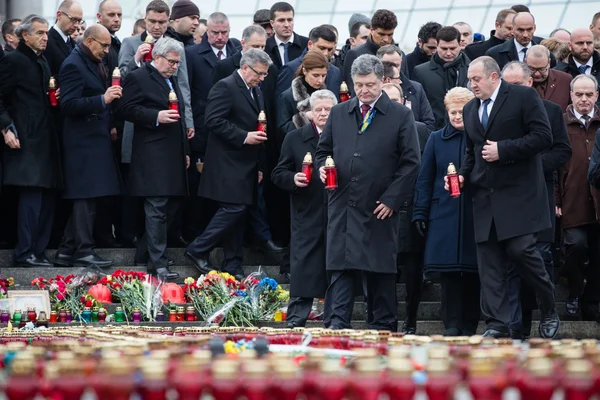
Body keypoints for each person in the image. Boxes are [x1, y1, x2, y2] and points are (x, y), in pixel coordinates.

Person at [451, 56, 559, 339]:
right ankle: (496, 324)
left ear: (494, 77)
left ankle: (548, 307)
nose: (471, 84)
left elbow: (543, 137)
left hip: (520, 195)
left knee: (522, 252)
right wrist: (463, 174)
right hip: (484, 197)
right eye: (469, 79)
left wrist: (504, 149)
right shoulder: (470, 109)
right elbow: (470, 151)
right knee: (489, 265)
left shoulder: (523, 96)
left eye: (476, 79)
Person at [316, 54, 421, 331]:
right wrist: (321, 169)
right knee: (340, 271)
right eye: (359, 85)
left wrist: (392, 199)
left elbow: (411, 162)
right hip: (343, 206)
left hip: (379, 208)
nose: (364, 91)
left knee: (380, 274)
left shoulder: (401, 115)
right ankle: (335, 327)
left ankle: (383, 330)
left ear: (382, 81)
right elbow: (323, 151)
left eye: (370, 85)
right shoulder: (339, 112)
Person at [185, 49, 272, 280]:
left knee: (239, 214)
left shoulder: (255, 90)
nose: (262, 78)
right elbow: (213, 120)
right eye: (260, 73)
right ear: (245, 68)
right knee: (234, 209)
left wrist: (260, 166)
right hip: (227, 163)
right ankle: (197, 248)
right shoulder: (225, 86)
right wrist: (244, 136)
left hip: (247, 165)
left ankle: (233, 264)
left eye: (265, 74)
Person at [501, 61, 572, 339]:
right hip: (507, 194)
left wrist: (528, 165)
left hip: (539, 192)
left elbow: (562, 150)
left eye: (517, 84)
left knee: (538, 256)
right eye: (507, 84)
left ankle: (547, 310)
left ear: (530, 83)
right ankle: (514, 327)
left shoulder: (552, 111)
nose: (511, 90)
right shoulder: (497, 113)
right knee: (510, 261)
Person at [117, 37, 190, 281]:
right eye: (171, 61)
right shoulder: (139, 77)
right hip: (152, 154)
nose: (174, 66)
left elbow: (179, 115)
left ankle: (145, 253)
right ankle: (158, 264)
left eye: (177, 63)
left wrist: (186, 151)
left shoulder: (171, 78)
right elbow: (125, 109)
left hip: (173, 153)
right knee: (157, 207)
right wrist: (155, 115)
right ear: (156, 57)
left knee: (173, 206)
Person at [413, 87, 480, 336]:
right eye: (452, 112)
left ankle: (470, 324)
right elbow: (425, 177)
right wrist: (420, 211)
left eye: (462, 112)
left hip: (475, 213)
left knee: (474, 273)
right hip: (445, 215)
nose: (457, 116)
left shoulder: (480, 138)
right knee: (450, 274)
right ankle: (451, 324)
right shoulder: (436, 138)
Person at [54, 24, 122, 268]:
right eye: (103, 45)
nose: (106, 50)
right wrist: (101, 99)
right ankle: (84, 250)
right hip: (82, 142)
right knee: (85, 197)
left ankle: (65, 250)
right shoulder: (73, 64)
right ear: (90, 40)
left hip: (95, 138)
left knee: (90, 196)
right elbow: (69, 105)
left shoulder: (92, 61)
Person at [0, 15, 62, 268]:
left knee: (47, 197)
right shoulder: (12, 60)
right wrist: (6, 128)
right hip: (25, 139)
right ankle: (24, 252)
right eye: (40, 33)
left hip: (46, 139)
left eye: (47, 33)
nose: (45, 37)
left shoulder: (43, 61)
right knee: (31, 197)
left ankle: (39, 250)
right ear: (25, 36)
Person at [271, 89, 335, 327]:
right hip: (305, 211)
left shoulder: (346, 136)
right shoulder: (295, 138)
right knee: (304, 267)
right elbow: (278, 173)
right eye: (318, 109)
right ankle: (296, 319)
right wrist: (293, 178)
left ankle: (333, 319)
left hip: (337, 212)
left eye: (328, 109)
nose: (323, 114)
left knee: (334, 267)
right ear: (309, 113)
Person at [185, 11, 241, 240]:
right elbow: (186, 91)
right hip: (202, 128)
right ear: (207, 31)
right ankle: (195, 232)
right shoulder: (192, 54)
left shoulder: (237, 53)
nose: (220, 37)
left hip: (230, 128)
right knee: (200, 185)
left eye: (224, 32)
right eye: (215, 32)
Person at [557, 75, 600, 321]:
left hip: (598, 199)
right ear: (571, 95)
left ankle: (591, 301)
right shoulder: (561, 123)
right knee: (576, 246)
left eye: (589, 94)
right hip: (572, 199)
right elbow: (554, 166)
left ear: (596, 95)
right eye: (579, 94)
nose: (584, 99)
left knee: (597, 255)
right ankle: (574, 291)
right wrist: (556, 199)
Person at [412, 26, 470, 130]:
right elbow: (419, 108)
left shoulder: (471, 69)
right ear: (437, 46)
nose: (448, 53)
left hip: (468, 131)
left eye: (452, 48)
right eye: (444, 48)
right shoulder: (421, 72)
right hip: (435, 132)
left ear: (460, 45)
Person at [343, 9, 405, 94]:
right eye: (381, 34)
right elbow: (354, 91)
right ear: (371, 30)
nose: (386, 39)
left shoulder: (400, 55)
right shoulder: (355, 54)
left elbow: (406, 87)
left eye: (390, 34)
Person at [378, 46, 435, 130]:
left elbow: (429, 126)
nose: (393, 69)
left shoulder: (416, 89)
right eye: (388, 65)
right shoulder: (371, 92)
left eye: (396, 65)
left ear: (401, 63)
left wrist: (404, 124)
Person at [275, 25, 340, 97]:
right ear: (310, 44)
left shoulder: (335, 72)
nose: (326, 53)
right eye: (322, 48)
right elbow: (282, 102)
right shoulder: (290, 69)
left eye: (330, 49)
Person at [278, 50, 328, 135]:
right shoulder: (288, 96)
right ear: (304, 71)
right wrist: (305, 117)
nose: (320, 80)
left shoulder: (326, 95)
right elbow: (283, 130)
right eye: (315, 75)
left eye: (323, 75)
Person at [485, 12, 555, 70]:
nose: (525, 34)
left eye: (529, 29)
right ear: (512, 29)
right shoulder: (494, 54)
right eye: (520, 30)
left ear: (534, 28)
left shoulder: (546, 53)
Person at [525, 45, 572, 112]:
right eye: (532, 69)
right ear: (525, 62)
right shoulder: (518, 82)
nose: (537, 74)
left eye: (542, 69)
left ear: (549, 63)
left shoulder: (565, 80)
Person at [555, 28, 600, 96]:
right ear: (570, 46)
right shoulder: (559, 73)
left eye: (589, 43)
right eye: (580, 43)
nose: (585, 47)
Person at [264, 2, 308, 69]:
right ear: (272, 23)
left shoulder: (307, 44)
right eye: (281, 20)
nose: (287, 25)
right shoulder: (265, 47)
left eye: (290, 20)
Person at [44, 0, 83, 77]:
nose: (76, 25)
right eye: (73, 19)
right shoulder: (47, 41)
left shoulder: (74, 44)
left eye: (79, 21)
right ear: (59, 15)